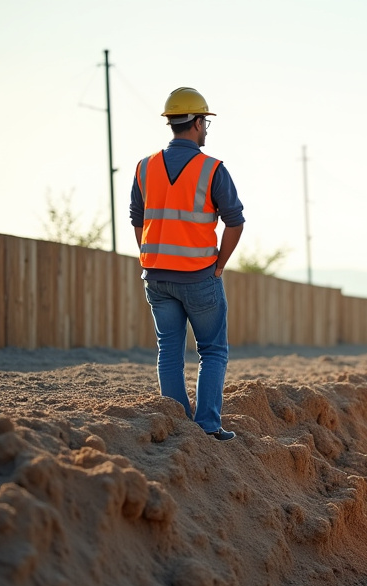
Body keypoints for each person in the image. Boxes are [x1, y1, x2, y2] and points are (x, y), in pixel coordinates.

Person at [131, 87, 245, 441]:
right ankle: (208, 425)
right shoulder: (212, 169)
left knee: (169, 349)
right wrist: (220, 264)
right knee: (212, 350)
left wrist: (151, 258)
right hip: (199, 277)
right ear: (196, 123)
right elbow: (235, 221)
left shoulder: (144, 167)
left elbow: (138, 218)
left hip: (157, 277)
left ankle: (177, 422)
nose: (206, 128)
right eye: (205, 122)